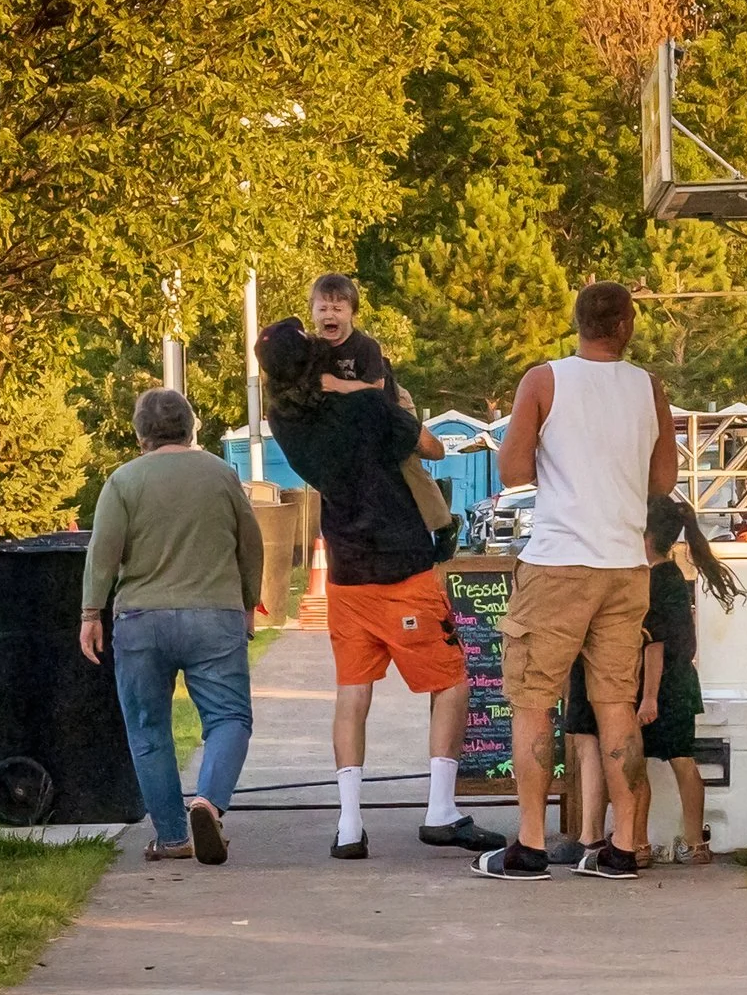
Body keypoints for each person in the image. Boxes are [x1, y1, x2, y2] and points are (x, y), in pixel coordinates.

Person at [256, 319, 503, 861]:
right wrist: (384, 398)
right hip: (401, 566)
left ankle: (349, 824)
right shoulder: (366, 409)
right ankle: (440, 810)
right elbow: (433, 448)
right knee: (453, 682)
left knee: (352, 692)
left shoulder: (285, 425)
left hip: (346, 572)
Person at [483, 280, 678, 881]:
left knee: (533, 700)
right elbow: (663, 480)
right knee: (616, 703)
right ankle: (622, 847)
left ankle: (532, 845)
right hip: (625, 566)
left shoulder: (544, 381)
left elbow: (513, 469)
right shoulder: (650, 388)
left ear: (576, 322)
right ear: (627, 327)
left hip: (559, 561)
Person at [80, 388, 262, 866]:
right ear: (191, 427)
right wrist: (248, 604)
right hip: (214, 617)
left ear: (140, 433)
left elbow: (103, 552)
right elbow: (251, 545)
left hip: (140, 619)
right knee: (229, 718)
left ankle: (173, 837)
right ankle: (209, 801)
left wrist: (90, 613)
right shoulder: (223, 475)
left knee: (148, 729)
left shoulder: (122, 480)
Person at [311, 272, 459, 559]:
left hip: (391, 404)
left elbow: (375, 388)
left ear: (352, 313)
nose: (330, 314)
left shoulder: (365, 347)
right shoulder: (315, 350)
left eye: (338, 309)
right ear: (313, 312)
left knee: (405, 461)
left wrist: (335, 385)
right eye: (323, 308)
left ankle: (444, 523)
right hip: (353, 418)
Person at [638, 493, 746, 863]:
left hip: (660, 683)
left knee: (638, 764)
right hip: (682, 680)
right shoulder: (675, 577)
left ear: (646, 537)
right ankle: (694, 841)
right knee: (682, 758)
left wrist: (648, 697)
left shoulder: (654, 581)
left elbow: (655, 643)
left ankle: (637, 842)